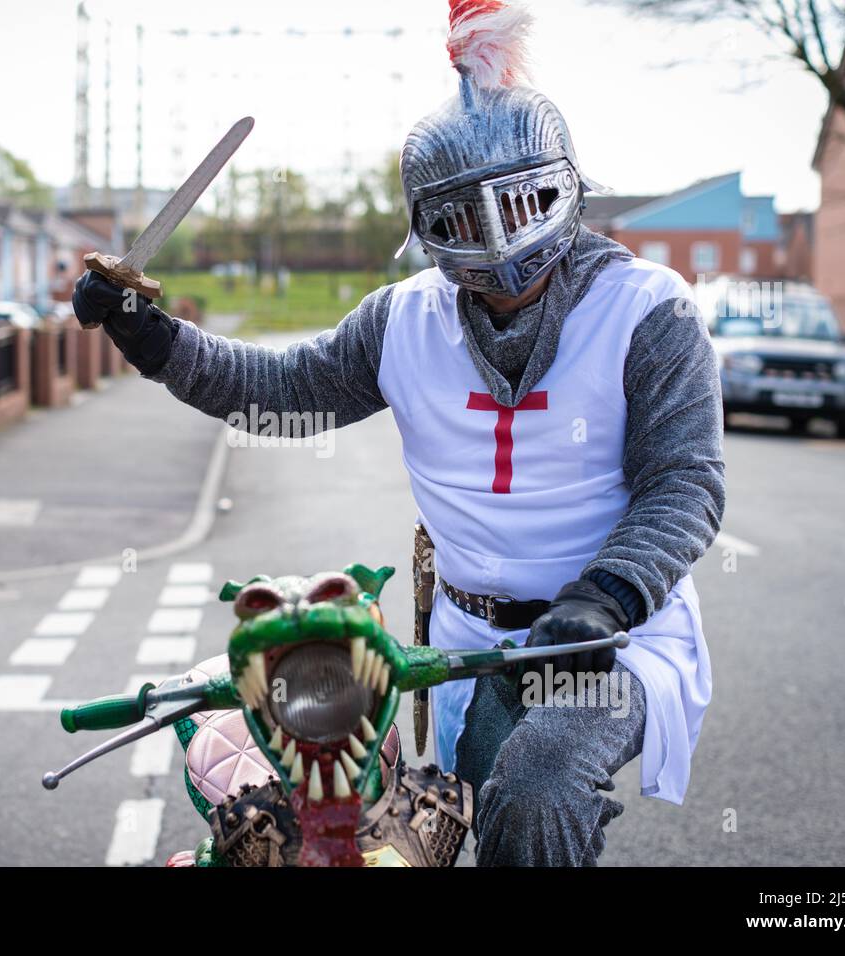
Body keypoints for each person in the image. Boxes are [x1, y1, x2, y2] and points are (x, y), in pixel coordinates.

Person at [74, 0, 724, 866]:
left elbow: (685, 482)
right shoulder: (404, 321)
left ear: (563, 187)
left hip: (611, 637)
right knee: (420, 821)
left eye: (520, 201)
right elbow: (284, 392)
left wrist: (606, 594)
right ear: (426, 228)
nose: (496, 244)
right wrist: (154, 342)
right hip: (463, 642)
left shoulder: (648, 310)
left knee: (537, 786)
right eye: (460, 220)